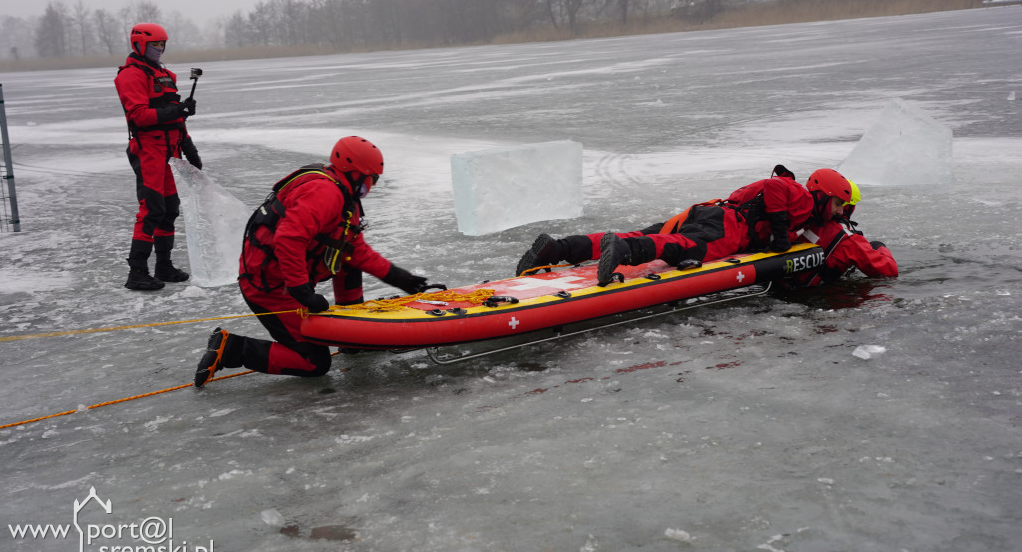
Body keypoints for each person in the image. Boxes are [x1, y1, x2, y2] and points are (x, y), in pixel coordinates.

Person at [194, 136, 433, 388]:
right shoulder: (325, 192)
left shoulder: (342, 194)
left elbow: (353, 249)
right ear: (354, 173)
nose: (371, 186)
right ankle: (231, 348)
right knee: (313, 362)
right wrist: (301, 292)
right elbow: (289, 239)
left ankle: (351, 340)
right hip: (269, 288)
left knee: (348, 262)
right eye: (371, 179)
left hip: (287, 277)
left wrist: (399, 278)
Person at [515, 166, 854, 286]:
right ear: (823, 194)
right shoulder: (803, 196)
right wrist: (781, 233)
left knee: (646, 233)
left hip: (708, 211)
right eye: (838, 204)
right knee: (681, 248)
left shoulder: (806, 209)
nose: (838, 212)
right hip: (728, 226)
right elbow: (773, 187)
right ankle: (623, 252)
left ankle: (557, 249)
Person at [114, 23, 201, 291]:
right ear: (140, 45)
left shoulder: (165, 74)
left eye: (163, 45)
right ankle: (137, 271)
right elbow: (139, 115)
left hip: (171, 150)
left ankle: (164, 265)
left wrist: (190, 149)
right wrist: (177, 111)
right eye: (155, 45)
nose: (160, 50)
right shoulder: (131, 75)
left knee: (169, 209)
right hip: (149, 149)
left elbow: (177, 118)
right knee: (152, 209)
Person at [786, 180, 898, 287]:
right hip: (816, 297)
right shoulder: (849, 241)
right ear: (848, 207)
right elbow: (890, 271)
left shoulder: (800, 221)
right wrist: (880, 247)